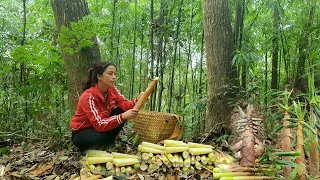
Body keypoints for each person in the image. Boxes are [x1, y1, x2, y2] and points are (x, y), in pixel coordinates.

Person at [70, 61, 144, 150]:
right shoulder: (88, 96)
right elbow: (99, 124)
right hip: (83, 132)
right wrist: (122, 117)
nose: (114, 77)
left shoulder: (112, 89)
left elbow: (125, 105)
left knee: (122, 110)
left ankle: (107, 142)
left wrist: (137, 100)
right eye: (110, 74)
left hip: (101, 127)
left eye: (115, 74)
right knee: (101, 137)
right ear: (99, 76)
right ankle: (102, 143)